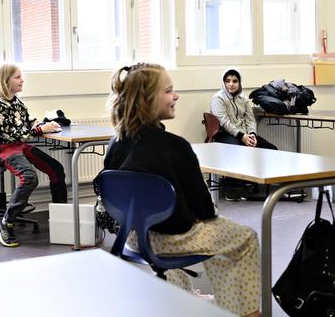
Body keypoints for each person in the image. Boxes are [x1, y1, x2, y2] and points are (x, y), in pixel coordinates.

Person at [103, 63, 260, 317]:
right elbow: (205, 210)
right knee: (244, 239)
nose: (175, 96)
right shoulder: (176, 146)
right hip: (172, 239)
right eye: (169, 91)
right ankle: (243, 312)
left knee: (183, 225)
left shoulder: (115, 143)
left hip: (133, 235)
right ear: (148, 100)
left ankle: (180, 304)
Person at [0, 64, 68, 247]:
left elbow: (27, 122)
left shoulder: (16, 101)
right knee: (29, 178)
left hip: (18, 145)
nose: (22, 80)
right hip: (2, 148)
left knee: (56, 169)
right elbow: (9, 135)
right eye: (17, 77)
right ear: (5, 81)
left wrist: (46, 124)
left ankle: (62, 218)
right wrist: (39, 130)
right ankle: (5, 223)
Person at [211, 69, 277, 150]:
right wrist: (241, 136)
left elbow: (250, 119)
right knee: (242, 150)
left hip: (244, 134)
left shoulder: (243, 99)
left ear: (239, 83)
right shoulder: (218, 98)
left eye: (235, 81)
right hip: (224, 134)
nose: (231, 84)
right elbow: (224, 122)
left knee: (272, 149)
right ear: (223, 83)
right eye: (227, 81)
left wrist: (252, 134)